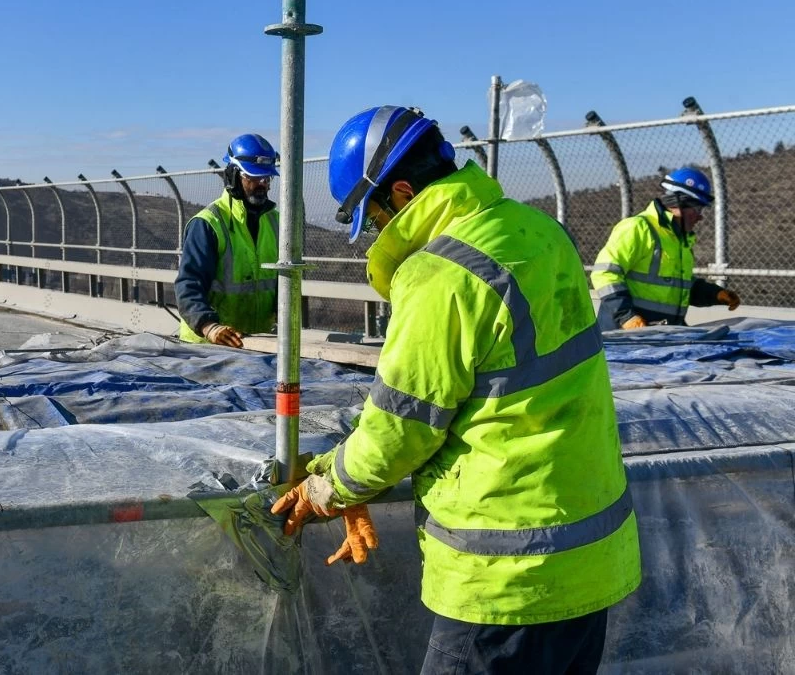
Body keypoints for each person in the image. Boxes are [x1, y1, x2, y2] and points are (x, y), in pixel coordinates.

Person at [271, 106, 641, 674]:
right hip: (590, 560)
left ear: (400, 191)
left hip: (506, 577)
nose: (376, 233)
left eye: (372, 218)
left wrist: (329, 486)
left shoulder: (441, 274)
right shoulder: (537, 229)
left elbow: (400, 431)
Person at [590, 167, 740, 330]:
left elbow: (679, 286)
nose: (700, 216)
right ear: (678, 203)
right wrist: (626, 317)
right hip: (623, 336)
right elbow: (604, 274)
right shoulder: (638, 228)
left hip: (660, 336)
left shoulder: (679, 240)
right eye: (697, 209)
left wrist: (715, 294)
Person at [174, 133, 280, 348]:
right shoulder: (208, 223)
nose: (262, 184)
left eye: (266, 178)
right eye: (253, 177)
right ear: (233, 176)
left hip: (254, 342)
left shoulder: (277, 222)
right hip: (207, 347)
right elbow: (189, 284)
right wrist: (209, 326)